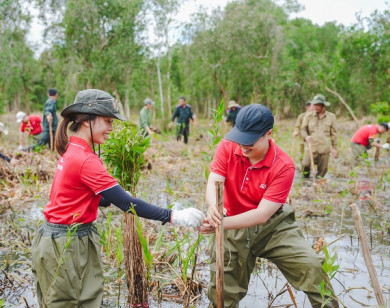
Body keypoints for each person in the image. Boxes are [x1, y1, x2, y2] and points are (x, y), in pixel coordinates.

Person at [31, 89, 205, 307]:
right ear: (87, 120)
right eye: (107, 121)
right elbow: (126, 204)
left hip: (57, 238)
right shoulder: (85, 159)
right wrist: (174, 216)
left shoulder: (73, 149)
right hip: (67, 243)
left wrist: (112, 195)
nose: (111, 129)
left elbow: (86, 196)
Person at [199, 104, 339, 308]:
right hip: (231, 224)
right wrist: (213, 208)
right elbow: (214, 180)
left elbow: (262, 214)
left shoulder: (283, 166)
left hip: (273, 227)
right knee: (223, 295)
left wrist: (220, 224)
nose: (243, 147)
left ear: (268, 134)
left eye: (250, 142)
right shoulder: (228, 146)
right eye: (240, 139)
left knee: (311, 267)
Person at [301, 94, 337, 178]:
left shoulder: (331, 117)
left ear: (323, 105)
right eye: (314, 105)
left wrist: (335, 148)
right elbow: (303, 129)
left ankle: (318, 186)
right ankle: (305, 182)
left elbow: (334, 134)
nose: (315, 107)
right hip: (311, 147)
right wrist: (306, 137)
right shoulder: (308, 116)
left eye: (318, 105)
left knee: (323, 170)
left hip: (324, 148)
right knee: (305, 165)